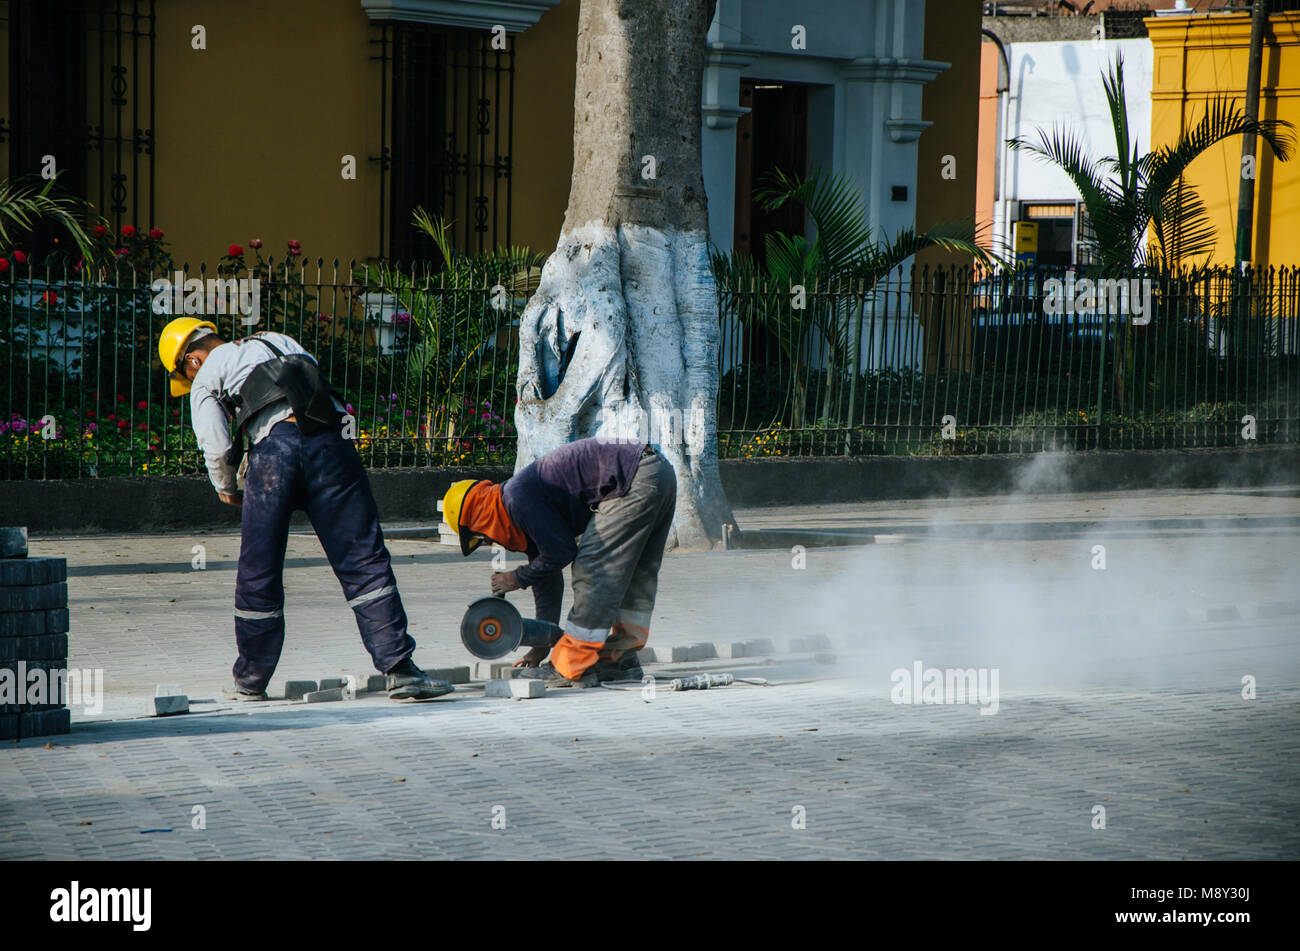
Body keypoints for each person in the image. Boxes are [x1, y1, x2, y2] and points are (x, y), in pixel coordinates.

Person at [157, 317, 451, 702]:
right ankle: (400, 669)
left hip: (275, 454)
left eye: (185, 372)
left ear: (191, 360)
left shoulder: (209, 370)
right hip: (332, 446)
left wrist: (226, 486)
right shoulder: (281, 339)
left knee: (259, 568)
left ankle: (250, 681)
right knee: (363, 558)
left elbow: (215, 440)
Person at [440, 436, 677, 687]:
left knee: (593, 567)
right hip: (656, 472)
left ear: (479, 518)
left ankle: (569, 665)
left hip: (632, 477)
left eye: (482, 538)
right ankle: (620, 658)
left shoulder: (517, 499)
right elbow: (547, 582)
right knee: (637, 572)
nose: (490, 543)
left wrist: (516, 578)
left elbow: (562, 552)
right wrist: (539, 649)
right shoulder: (520, 506)